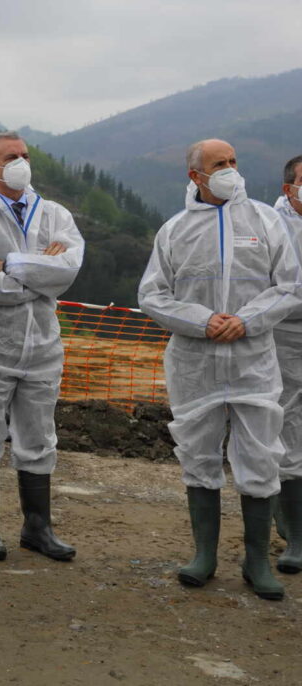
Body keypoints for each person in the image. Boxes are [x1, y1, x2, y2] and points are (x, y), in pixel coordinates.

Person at [138, 139, 302, 601]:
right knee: (199, 454)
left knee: (261, 456)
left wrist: (245, 320)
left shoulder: (267, 222)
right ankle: (204, 555)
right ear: (196, 177)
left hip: (253, 362)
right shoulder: (174, 231)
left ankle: (257, 561)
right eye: (219, 164)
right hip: (196, 364)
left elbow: (290, 287)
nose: (231, 170)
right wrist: (202, 321)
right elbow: (153, 295)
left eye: (233, 162)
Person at [0, 131, 84, 563]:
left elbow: (69, 267)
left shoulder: (55, 214)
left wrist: (14, 264)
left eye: (24, 155)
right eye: (11, 157)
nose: (21, 162)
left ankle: (37, 528)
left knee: (38, 434)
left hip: (42, 343)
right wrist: (40, 270)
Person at [272, 154, 302, 574]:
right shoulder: (270, 227)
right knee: (287, 425)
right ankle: (294, 533)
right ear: (289, 189)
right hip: (284, 335)